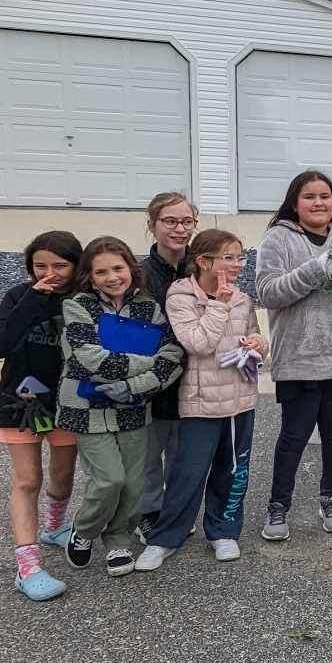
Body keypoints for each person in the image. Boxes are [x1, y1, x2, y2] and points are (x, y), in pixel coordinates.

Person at [135, 229, 267, 571]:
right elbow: (198, 343)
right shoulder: (181, 295)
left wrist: (256, 344)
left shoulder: (241, 297)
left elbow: (252, 332)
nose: (237, 265)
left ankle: (223, 531)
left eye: (240, 257)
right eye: (228, 257)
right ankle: (165, 537)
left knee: (233, 470)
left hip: (240, 399)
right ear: (203, 261)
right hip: (199, 401)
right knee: (187, 473)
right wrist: (219, 305)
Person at [57, 237, 184, 578]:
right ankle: (83, 530)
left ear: (131, 268)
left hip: (133, 405)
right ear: (89, 275)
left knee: (133, 484)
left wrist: (133, 386)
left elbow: (172, 358)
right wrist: (146, 362)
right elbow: (87, 356)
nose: (112, 277)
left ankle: (119, 540)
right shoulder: (77, 306)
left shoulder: (149, 308)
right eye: (101, 271)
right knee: (109, 481)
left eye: (118, 268)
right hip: (86, 407)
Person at [255, 170, 332, 540]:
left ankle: (331, 498)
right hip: (300, 360)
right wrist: (316, 269)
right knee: (293, 436)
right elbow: (269, 293)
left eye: (325, 196)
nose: (319, 203)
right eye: (310, 196)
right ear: (294, 202)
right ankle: (278, 506)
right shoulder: (278, 240)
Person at [0, 230, 83, 602]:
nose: (50, 273)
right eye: (40, 265)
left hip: (68, 402)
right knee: (28, 479)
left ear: (76, 266)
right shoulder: (18, 295)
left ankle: (55, 526)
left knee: (63, 473)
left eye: (60, 265)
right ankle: (28, 567)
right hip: (22, 401)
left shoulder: (82, 300)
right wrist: (31, 299)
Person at [139, 192, 196, 541]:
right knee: (149, 453)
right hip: (153, 376)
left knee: (183, 451)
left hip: (194, 374)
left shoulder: (201, 266)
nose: (179, 228)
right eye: (170, 221)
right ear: (153, 224)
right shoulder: (139, 274)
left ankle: (175, 508)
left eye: (186, 221)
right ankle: (148, 510)